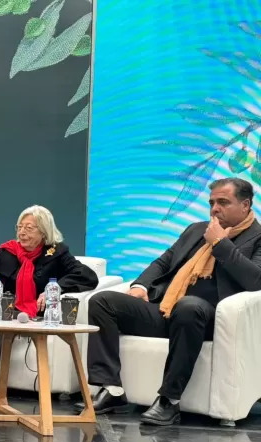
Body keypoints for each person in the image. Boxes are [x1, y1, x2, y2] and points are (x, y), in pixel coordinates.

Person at [78, 177, 261, 426]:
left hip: (215, 321)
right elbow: (164, 262)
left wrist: (220, 243)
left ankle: (169, 400)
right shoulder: (196, 230)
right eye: (211, 203)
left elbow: (255, 280)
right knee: (103, 301)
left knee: (189, 306)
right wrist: (140, 286)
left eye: (223, 202)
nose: (215, 209)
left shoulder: (257, 237)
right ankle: (111, 389)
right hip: (169, 311)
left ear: (245, 205)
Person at [0, 205, 98, 402]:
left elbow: (87, 276)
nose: (22, 232)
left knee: (4, 318)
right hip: (7, 309)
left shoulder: (57, 253)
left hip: (37, 313)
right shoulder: (8, 252)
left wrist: (56, 287)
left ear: (43, 231)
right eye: (19, 227)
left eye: (29, 228)